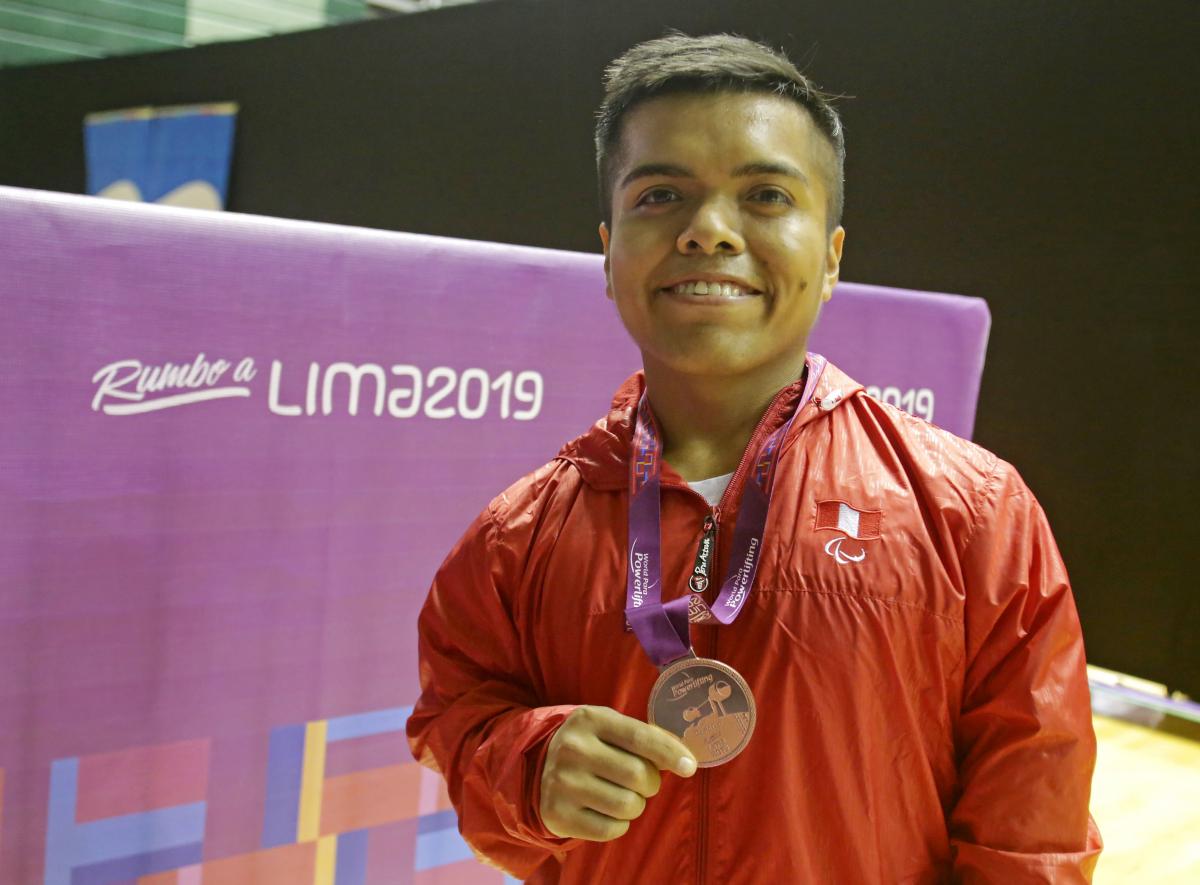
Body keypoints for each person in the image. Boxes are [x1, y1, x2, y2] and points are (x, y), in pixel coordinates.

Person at [407, 32, 1102, 883]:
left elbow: (1033, 832)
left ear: (833, 254)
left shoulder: (973, 513)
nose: (707, 232)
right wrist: (525, 762)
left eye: (766, 194)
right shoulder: (518, 536)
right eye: (661, 194)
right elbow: (458, 711)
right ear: (609, 249)